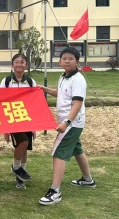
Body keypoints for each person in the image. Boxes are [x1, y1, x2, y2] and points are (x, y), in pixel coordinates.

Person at [39, 47, 96, 206]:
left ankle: (55, 191)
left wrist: (67, 123)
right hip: (69, 122)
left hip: (72, 123)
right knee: (77, 150)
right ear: (60, 62)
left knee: (59, 152)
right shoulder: (63, 77)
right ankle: (87, 180)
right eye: (64, 58)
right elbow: (61, 93)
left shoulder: (78, 79)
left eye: (71, 59)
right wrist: (45, 90)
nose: (67, 61)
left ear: (77, 62)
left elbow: (77, 104)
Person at [0, 53, 35, 190]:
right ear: (12, 65)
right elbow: (1, 102)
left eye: (22, 62)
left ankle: (20, 178)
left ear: (26, 65)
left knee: (24, 149)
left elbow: (35, 103)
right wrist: (5, 127)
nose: (19, 64)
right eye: (16, 62)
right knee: (23, 142)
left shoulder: (30, 82)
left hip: (27, 119)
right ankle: (15, 167)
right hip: (12, 119)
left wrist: (34, 125)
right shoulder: (6, 81)